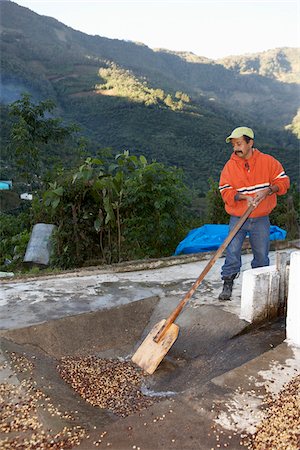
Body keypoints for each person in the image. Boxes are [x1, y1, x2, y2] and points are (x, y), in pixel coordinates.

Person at [218, 126, 290, 301]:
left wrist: (268, 190)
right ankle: (228, 282)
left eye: (239, 143)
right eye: (234, 144)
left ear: (250, 143)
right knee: (232, 250)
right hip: (238, 218)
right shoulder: (230, 167)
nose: (236, 148)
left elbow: (283, 181)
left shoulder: (268, 162)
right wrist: (243, 197)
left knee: (261, 254)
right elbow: (224, 190)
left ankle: (260, 285)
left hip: (260, 219)